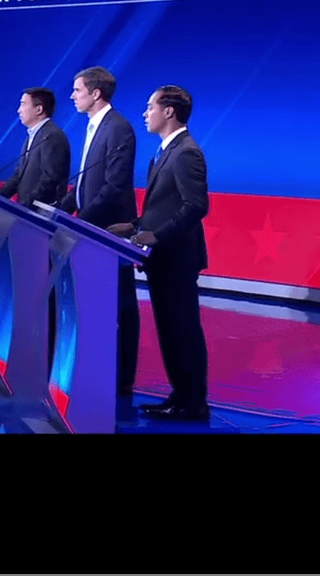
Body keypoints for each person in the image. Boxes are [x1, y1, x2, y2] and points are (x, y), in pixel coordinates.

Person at [108, 86, 211, 421]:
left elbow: (196, 205)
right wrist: (135, 224)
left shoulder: (186, 152)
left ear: (169, 111)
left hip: (177, 257)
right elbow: (165, 206)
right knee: (170, 330)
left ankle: (192, 402)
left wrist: (157, 235)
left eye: (150, 107)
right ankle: (180, 397)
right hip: (162, 258)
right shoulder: (166, 151)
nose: (145, 113)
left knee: (183, 329)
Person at [55, 66, 140, 396]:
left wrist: (82, 219)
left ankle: (121, 378)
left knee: (120, 303)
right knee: (96, 303)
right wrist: (60, 209)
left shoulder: (117, 128)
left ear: (95, 93)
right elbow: (86, 182)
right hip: (91, 227)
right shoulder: (94, 126)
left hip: (109, 231)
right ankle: (95, 367)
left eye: (77, 90)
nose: (72, 96)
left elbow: (114, 186)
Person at [0, 87, 71, 357]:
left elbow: (50, 180)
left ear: (39, 109)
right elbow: (18, 177)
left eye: (23, 104)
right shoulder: (32, 136)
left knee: (41, 284)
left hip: (40, 222)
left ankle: (42, 347)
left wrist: (24, 209)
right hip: (27, 220)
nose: (18, 109)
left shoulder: (53, 137)